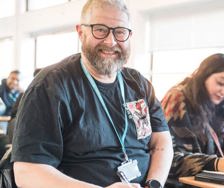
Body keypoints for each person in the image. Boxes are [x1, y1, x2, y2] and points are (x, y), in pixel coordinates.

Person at [11, 0, 173, 188]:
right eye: (100, 30)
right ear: (81, 32)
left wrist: (154, 184)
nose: (111, 41)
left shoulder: (139, 85)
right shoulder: (50, 86)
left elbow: (161, 143)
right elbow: (27, 172)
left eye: (120, 32)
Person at [161, 53, 224, 187]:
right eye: (220, 83)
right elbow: (168, 159)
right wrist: (216, 163)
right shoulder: (178, 99)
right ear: (204, 75)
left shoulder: (221, 105)